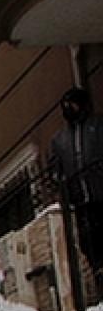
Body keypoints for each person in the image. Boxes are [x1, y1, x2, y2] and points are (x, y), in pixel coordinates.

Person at [50, 87, 103, 290]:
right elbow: (55, 168)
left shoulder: (97, 126)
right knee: (88, 241)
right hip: (81, 200)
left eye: (71, 104)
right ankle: (98, 274)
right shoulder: (60, 139)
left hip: (100, 194)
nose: (68, 109)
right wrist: (60, 183)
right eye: (65, 106)